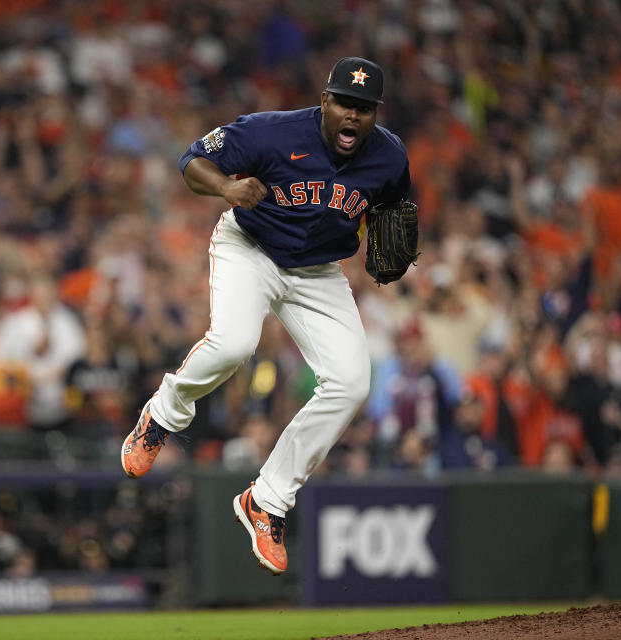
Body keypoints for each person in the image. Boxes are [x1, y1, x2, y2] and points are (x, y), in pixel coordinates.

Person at [120, 57, 412, 574]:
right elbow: (192, 161)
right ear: (325, 101)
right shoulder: (271, 132)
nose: (352, 116)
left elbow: (393, 208)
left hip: (317, 271)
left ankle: (268, 500)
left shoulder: (389, 157)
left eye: (364, 109)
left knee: (351, 382)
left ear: (375, 114)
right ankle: (162, 414)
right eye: (344, 102)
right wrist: (226, 187)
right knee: (234, 344)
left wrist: (391, 242)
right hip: (250, 248)